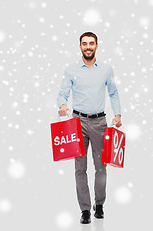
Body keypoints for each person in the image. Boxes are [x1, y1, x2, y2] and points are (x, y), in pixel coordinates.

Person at [57, 32, 122, 224]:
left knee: (101, 167)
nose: (88, 47)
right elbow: (62, 93)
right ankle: (85, 209)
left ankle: (99, 205)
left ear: (97, 46)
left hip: (100, 122)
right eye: (84, 44)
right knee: (80, 168)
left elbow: (113, 92)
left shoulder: (106, 69)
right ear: (80, 47)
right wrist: (62, 105)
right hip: (77, 122)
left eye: (91, 43)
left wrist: (117, 114)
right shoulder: (71, 70)